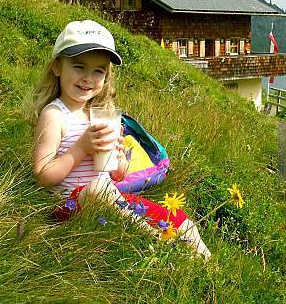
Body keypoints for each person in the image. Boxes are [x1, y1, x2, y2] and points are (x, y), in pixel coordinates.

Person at [30, 20, 210, 259]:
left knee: (176, 217)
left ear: (106, 77)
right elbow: (43, 176)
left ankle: (209, 265)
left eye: (98, 71)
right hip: (69, 206)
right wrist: (81, 148)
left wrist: (118, 160)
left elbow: (115, 177)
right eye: (79, 66)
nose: (88, 78)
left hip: (110, 200)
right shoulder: (54, 115)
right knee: (96, 189)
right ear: (57, 67)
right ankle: (155, 240)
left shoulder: (100, 114)